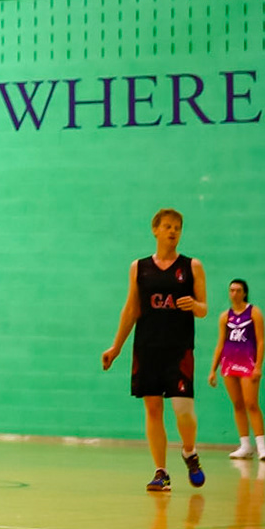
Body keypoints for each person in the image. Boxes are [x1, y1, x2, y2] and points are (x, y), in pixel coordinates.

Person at [102, 207, 207, 492]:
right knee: (152, 408)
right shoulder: (139, 267)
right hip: (147, 347)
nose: (173, 231)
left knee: (183, 412)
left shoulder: (192, 266)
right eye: (168, 226)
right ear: (156, 229)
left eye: (178, 227)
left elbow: (204, 308)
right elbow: (132, 308)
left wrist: (194, 306)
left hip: (179, 348)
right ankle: (161, 472)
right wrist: (117, 346)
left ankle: (189, 451)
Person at [209, 278, 265, 462]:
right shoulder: (225, 316)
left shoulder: (254, 312)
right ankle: (245, 445)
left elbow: (260, 341)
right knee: (237, 404)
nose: (234, 293)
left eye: (238, 290)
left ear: (244, 293)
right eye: (231, 290)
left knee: (251, 403)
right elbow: (221, 343)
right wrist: (213, 369)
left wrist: (258, 366)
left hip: (248, 364)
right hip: (229, 363)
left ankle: (262, 447)